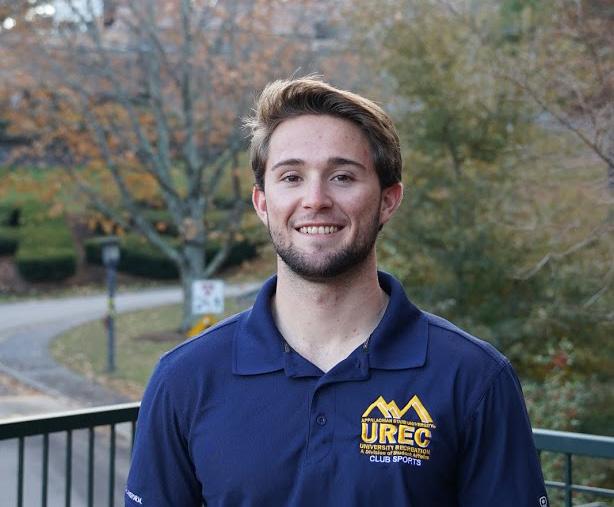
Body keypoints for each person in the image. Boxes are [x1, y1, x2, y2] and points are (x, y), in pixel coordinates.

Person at [125, 77, 549, 507]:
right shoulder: (184, 379)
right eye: (291, 177)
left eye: (342, 176)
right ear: (262, 203)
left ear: (388, 201)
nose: (315, 199)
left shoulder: (474, 378)